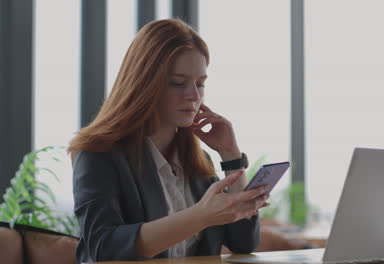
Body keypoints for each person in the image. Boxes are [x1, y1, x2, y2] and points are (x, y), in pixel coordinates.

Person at [68, 19, 270, 262]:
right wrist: (200, 216)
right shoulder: (97, 153)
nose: (193, 96)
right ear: (143, 83)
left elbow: (244, 242)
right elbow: (103, 247)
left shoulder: (197, 161)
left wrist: (230, 155)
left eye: (200, 83)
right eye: (178, 83)